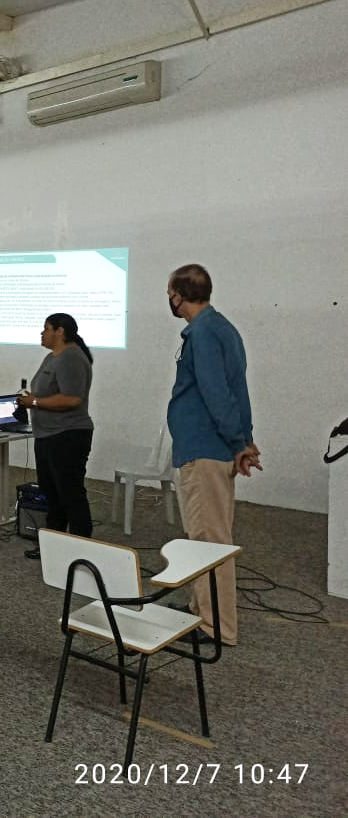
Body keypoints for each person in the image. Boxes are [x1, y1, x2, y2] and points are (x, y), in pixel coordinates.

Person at [166, 264, 261, 647]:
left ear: (177, 294)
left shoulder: (203, 333)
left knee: (209, 540)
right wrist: (244, 441)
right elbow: (238, 389)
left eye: (169, 293)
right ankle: (198, 609)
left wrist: (239, 442)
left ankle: (214, 626)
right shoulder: (222, 328)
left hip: (203, 449)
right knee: (203, 535)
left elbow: (217, 394)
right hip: (214, 446)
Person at [18, 313, 95, 559]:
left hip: (67, 436)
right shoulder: (52, 357)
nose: (42, 333)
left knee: (70, 494)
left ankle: (81, 549)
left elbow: (72, 399)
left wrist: (36, 401)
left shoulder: (71, 358)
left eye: (46, 328)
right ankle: (54, 547)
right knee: (52, 494)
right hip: (48, 435)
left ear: (60, 331)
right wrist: (29, 399)